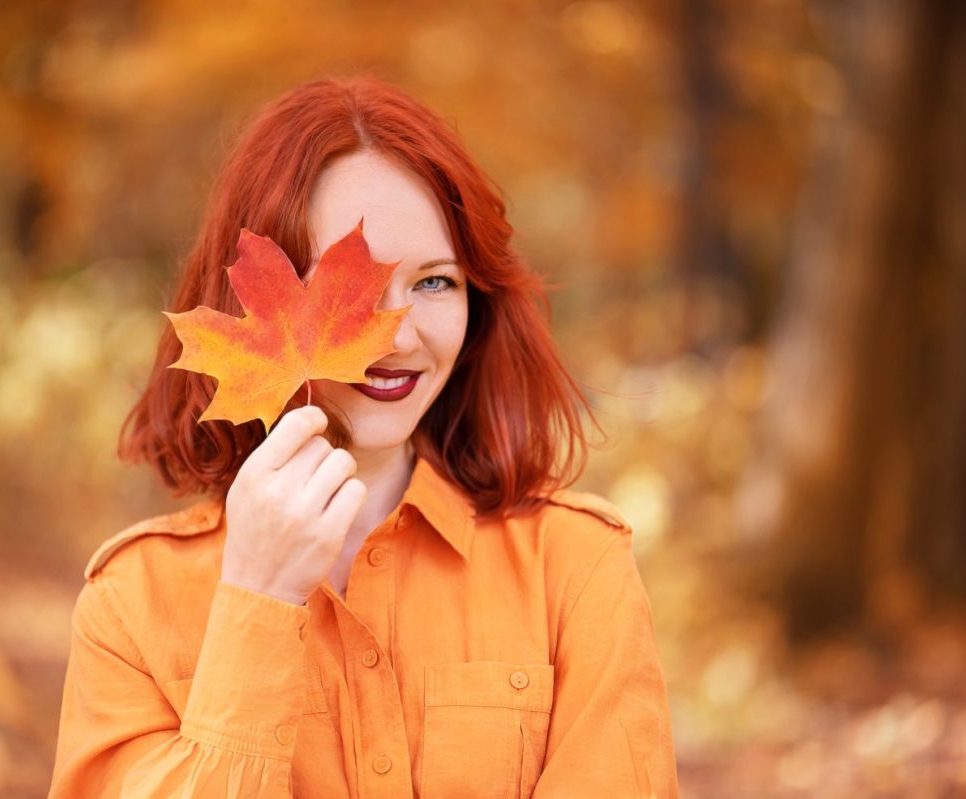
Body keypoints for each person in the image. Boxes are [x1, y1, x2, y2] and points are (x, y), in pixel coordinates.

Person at [49, 76, 679, 798]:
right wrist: (259, 600)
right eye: (346, 287)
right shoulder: (132, 603)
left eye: (436, 282)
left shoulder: (574, 568)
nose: (398, 333)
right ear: (252, 303)